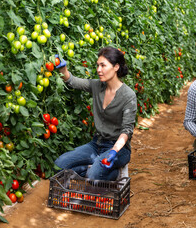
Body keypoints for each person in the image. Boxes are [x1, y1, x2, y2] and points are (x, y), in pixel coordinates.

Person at [54, 47, 137, 181]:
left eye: (103, 65)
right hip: (96, 143)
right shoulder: (97, 86)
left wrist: (114, 151)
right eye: (98, 65)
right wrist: (63, 70)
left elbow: (127, 130)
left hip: (118, 149)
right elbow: (73, 82)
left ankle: (112, 173)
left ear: (116, 67)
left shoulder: (128, 96)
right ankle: (94, 168)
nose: (99, 69)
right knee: (60, 166)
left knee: (94, 176)